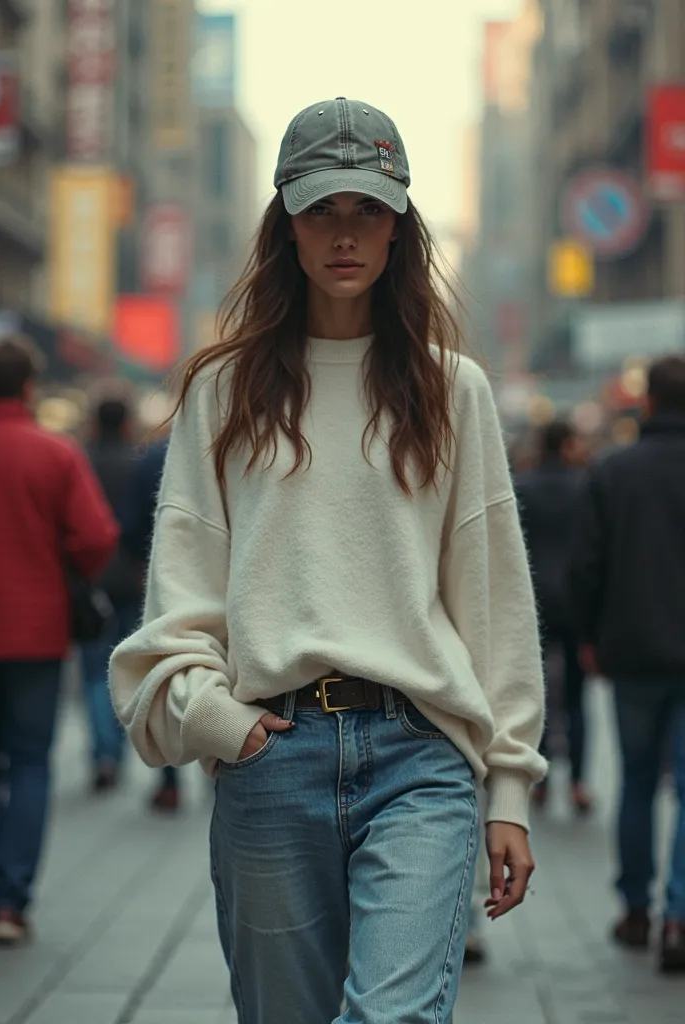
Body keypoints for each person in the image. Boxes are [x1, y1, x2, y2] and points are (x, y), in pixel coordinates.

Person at [111, 98, 546, 1022]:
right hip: (272, 754)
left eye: (368, 211)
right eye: (321, 211)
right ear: (286, 226)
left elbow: (492, 600)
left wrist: (507, 786)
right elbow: (180, 590)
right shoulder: (222, 389)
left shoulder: (451, 388)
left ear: (399, 227)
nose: (345, 234)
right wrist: (224, 725)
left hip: (421, 754)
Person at [0, 336, 118, 945]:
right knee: (29, 762)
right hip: (35, 633)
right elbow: (95, 537)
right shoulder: (54, 453)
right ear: (27, 388)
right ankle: (11, 903)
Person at [569, 355, 685, 974]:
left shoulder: (615, 472)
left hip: (633, 648)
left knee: (637, 782)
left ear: (647, 404)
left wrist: (589, 635)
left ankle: (635, 909)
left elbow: (586, 566)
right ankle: (680, 915)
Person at [516, 420, 591, 814]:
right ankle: (579, 781)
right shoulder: (585, 486)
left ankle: (540, 778)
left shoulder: (523, 487)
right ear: (566, 444)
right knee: (579, 698)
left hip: (534, 602)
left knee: (539, 692)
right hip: (576, 604)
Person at [80, 396, 144, 792]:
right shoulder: (138, 465)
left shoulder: (81, 461)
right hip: (133, 580)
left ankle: (105, 754)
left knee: (92, 673)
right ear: (124, 424)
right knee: (129, 668)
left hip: (89, 582)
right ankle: (123, 746)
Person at [122, 437, 181, 812]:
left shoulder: (151, 457)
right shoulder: (231, 441)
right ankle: (223, 769)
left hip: (161, 579)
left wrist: (143, 561)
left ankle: (169, 780)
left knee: (167, 669)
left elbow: (130, 525)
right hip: (227, 584)